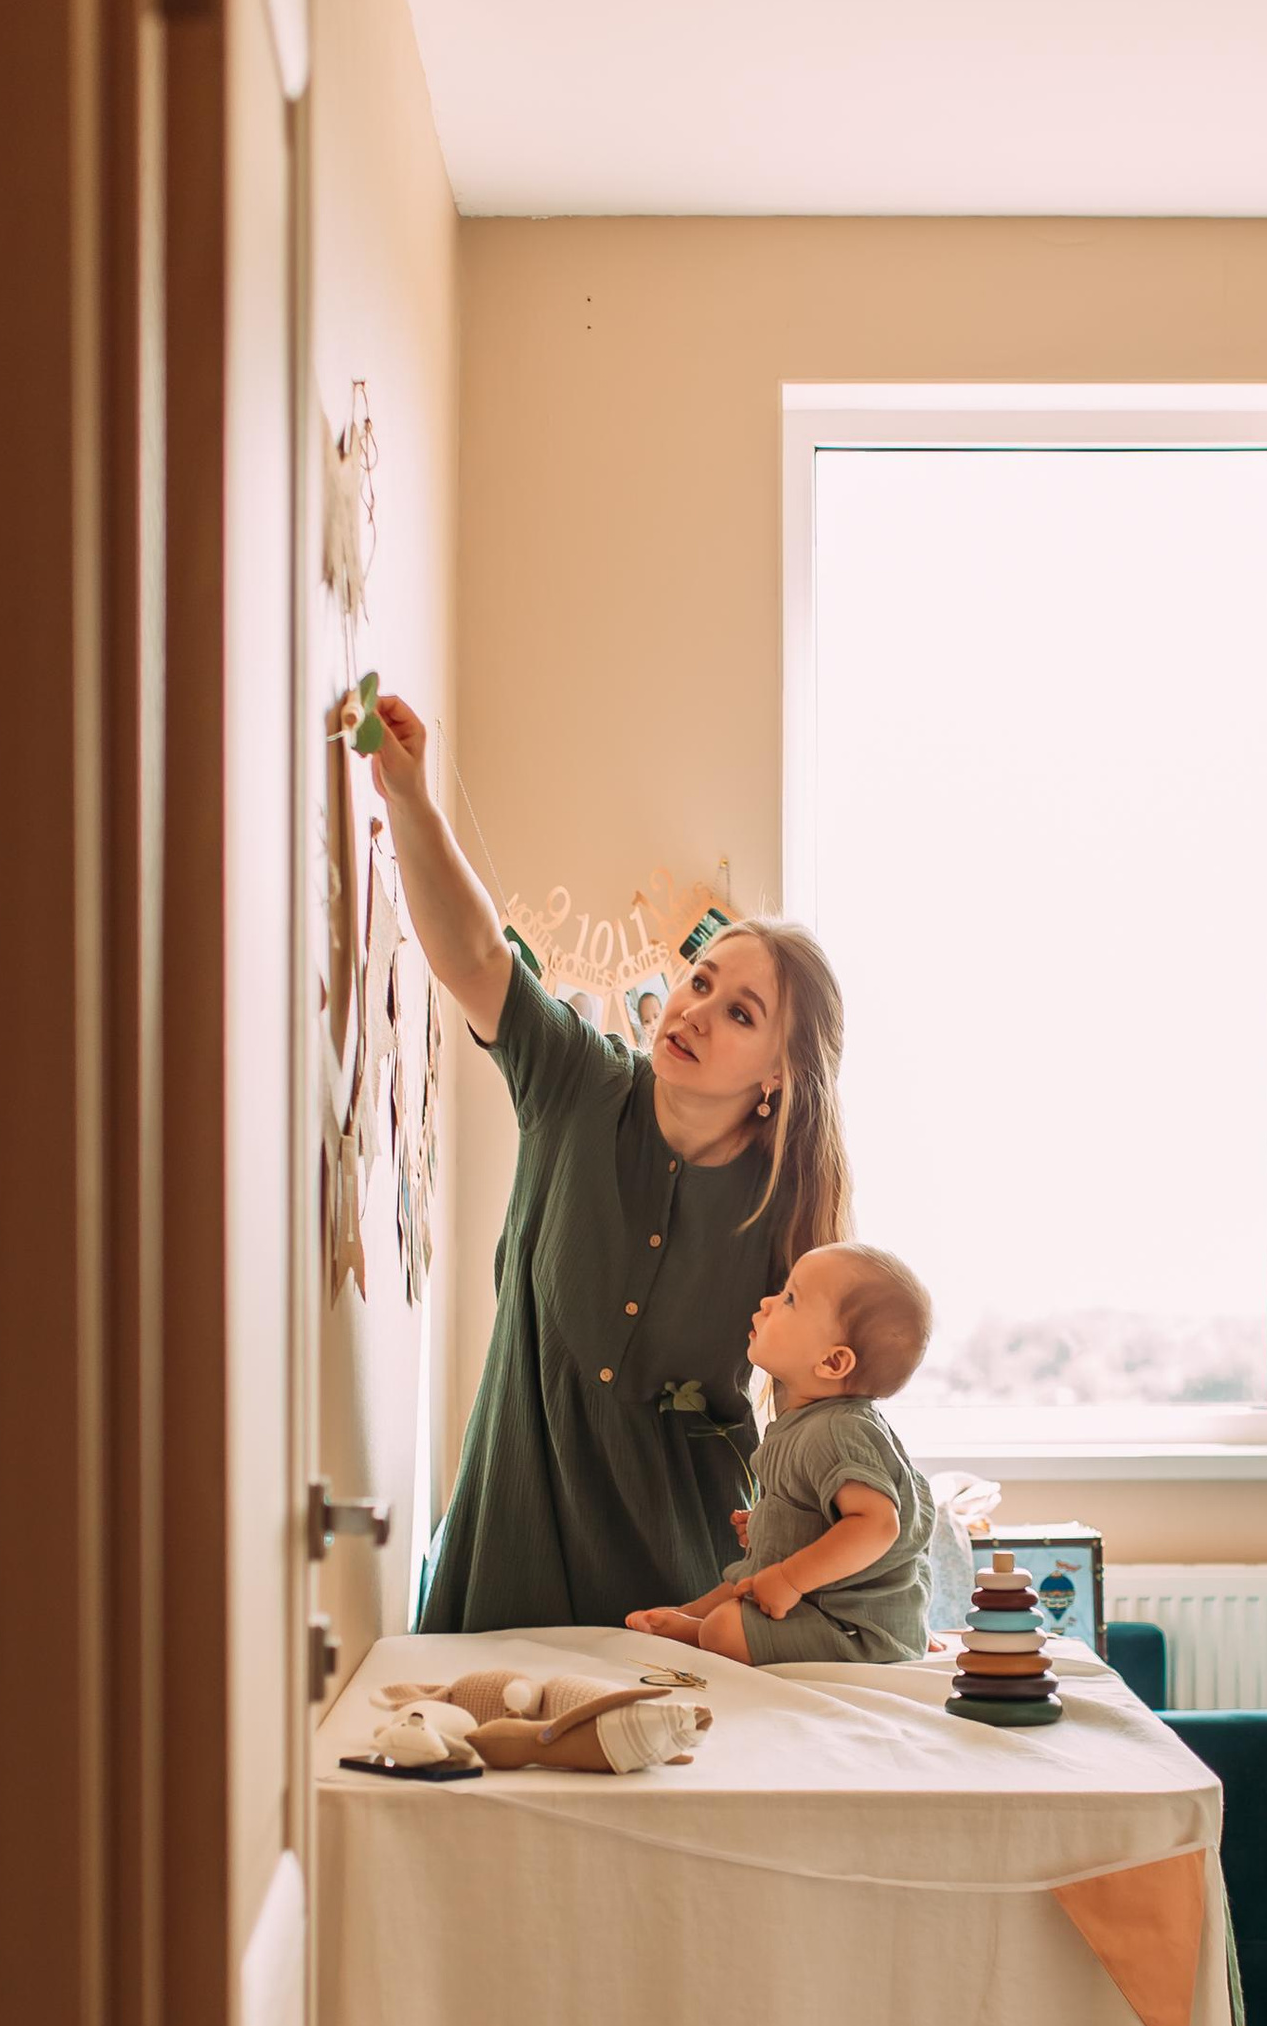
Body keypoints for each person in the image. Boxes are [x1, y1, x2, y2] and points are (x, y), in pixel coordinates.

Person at [358, 691, 852, 1630]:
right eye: (699, 981)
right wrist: (412, 801)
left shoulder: (787, 1215)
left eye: (740, 1012)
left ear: (780, 1079)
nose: (695, 1010)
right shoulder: (578, 1083)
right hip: (510, 1575)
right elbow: (471, 955)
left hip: (690, 1605)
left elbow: (821, 1425)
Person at [629, 1243, 932, 1664]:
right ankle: (687, 1620)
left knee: (726, 1622)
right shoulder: (811, 1423)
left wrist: (790, 1577)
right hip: (817, 1604)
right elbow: (829, 1517)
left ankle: (700, 1633)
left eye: (790, 1299)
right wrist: (777, 1524)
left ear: (832, 1362)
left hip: (854, 1628)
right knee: (738, 1585)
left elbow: (879, 1525)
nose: (768, 1301)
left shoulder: (839, 1431)